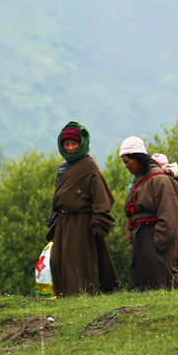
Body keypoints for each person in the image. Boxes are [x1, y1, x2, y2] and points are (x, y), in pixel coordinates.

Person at [46, 121, 121, 296]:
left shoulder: (89, 167)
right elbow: (59, 195)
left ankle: (82, 296)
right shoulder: (64, 167)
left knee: (78, 263)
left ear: (82, 144)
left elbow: (101, 197)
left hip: (81, 224)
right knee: (57, 261)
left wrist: (98, 222)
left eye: (74, 143)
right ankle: (64, 295)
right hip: (63, 222)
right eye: (66, 144)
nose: (70, 148)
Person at [120, 136, 178, 290]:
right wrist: (130, 229)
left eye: (127, 161)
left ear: (137, 158)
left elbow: (169, 215)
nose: (126, 166)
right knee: (144, 282)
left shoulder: (160, 180)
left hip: (156, 236)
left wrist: (159, 241)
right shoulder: (138, 181)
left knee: (167, 280)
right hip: (143, 236)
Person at [150, 153, 178, 289]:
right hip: (171, 225)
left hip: (172, 226)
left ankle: (175, 285)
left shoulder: (172, 187)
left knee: (170, 259)